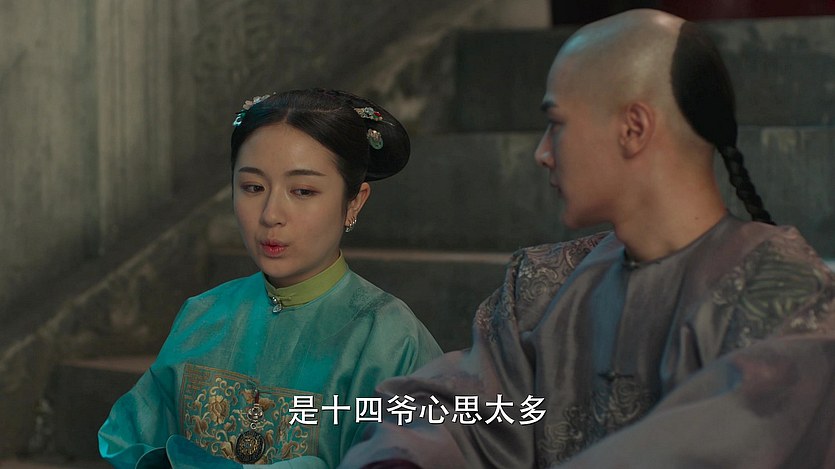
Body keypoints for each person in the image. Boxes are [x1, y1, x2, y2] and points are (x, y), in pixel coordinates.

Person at [339, 9, 835, 469]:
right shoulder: (543, 286)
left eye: (556, 124)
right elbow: (462, 409)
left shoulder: (786, 292)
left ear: (633, 128)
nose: (542, 153)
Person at [98, 89, 443, 468]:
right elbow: (129, 440)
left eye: (303, 191)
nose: (271, 214)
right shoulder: (202, 315)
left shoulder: (388, 338)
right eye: (253, 187)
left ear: (354, 201)